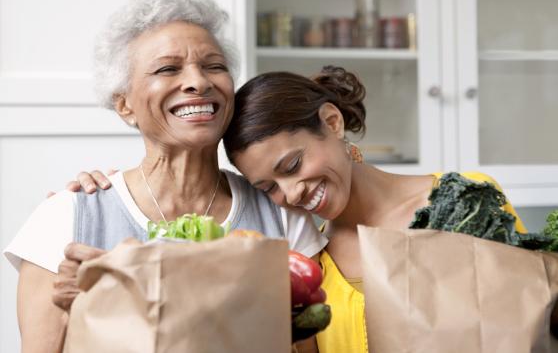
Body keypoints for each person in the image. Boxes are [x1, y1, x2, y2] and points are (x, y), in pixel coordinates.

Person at [68, 65, 528, 352]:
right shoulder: (304, 260)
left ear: (332, 122)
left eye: (293, 164)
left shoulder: (467, 198)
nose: (292, 193)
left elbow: (529, 316)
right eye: (268, 186)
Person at [2, 0, 326, 353]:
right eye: (168, 68)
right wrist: (72, 311)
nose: (199, 82)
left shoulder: (282, 215)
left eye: (214, 66)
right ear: (124, 105)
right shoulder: (65, 218)